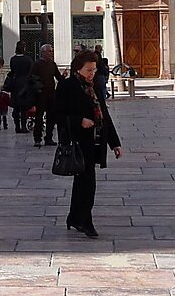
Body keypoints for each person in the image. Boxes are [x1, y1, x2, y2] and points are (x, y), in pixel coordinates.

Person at [53, 50, 122, 238]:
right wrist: (79, 121)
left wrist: (114, 143)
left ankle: (75, 217)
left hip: (95, 141)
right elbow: (56, 115)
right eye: (88, 69)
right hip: (78, 142)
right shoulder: (67, 86)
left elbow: (104, 115)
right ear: (78, 68)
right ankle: (85, 220)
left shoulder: (94, 87)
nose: (92, 73)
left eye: (94, 69)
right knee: (87, 182)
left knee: (83, 181)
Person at [31, 44, 64, 147]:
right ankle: (37, 138)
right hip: (41, 94)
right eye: (49, 51)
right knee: (39, 117)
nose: (51, 53)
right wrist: (38, 87)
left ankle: (49, 138)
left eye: (51, 51)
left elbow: (58, 77)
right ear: (43, 52)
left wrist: (64, 78)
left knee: (51, 117)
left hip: (51, 93)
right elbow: (31, 77)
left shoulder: (52, 64)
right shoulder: (37, 64)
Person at [7, 41, 35, 133]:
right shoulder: (28, 59)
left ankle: (17, 127)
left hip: (15, 84)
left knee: (16, 107)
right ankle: (23, 126)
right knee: (23, 107)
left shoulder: (13, 59)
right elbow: (31, 72)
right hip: (24, 84)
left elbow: (12, 71)